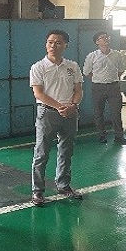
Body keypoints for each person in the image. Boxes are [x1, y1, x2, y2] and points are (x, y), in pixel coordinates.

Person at [30, 29, 84, 206]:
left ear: (65, 45)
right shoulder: (38, 67)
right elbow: (39, 93)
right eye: (50, 42)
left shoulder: (72, 66)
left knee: (66, 150)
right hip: (47, 113)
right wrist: (60, 107)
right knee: (42, 152)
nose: (53, 45)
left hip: (70, 113)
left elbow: (78, 90)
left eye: (58, 42)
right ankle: (38, 191)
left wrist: (73, 106)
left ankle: (63, 185)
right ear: (46, 44)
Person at [82, 31, 126, 145]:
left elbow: (121, 70)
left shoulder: (117, 54)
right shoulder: (92, 56)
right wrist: (98, 79)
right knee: (98, 112)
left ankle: (119, 136)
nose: (106, 39)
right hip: (98, 87)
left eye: (107, 37)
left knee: (116, 112)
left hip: (114, 87)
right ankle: (101, 135)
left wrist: (111, 79)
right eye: (102, 37)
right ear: (97, 42)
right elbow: (86, 72)